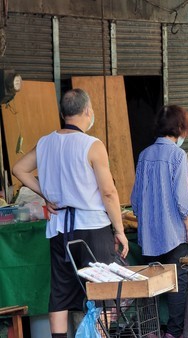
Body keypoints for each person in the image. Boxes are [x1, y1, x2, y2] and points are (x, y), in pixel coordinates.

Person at [12, 88, 129, 338]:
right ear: (87, 110)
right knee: (103, 289)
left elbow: (18, 168)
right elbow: (108, 192)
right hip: (93, 228)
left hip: (59, 228)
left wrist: (45, 193)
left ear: (63, 113)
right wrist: (119, 230)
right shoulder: (92, 145)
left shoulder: (45, 142)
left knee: (61, 292)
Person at [131, 105, 188, 338]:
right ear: (180, 128)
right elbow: (182, 198)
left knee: (151, 283)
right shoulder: (177, 155)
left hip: (149, 235)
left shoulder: (144, 155)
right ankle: (173, 333)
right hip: (173, 233)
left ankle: (150, 331)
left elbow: (135, 199)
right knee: (177, 284)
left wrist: (145, 222)